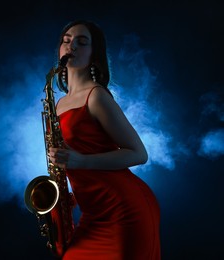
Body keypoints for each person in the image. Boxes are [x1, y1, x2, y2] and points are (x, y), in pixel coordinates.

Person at [48, 20, 161, 260]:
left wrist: (81, 161)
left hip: (124, 211)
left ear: (94, 53)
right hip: (94, 213)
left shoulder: (96, 96)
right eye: (66, 41)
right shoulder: (57, 105)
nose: (71, 46)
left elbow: (139, 154)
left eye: (81, 42)